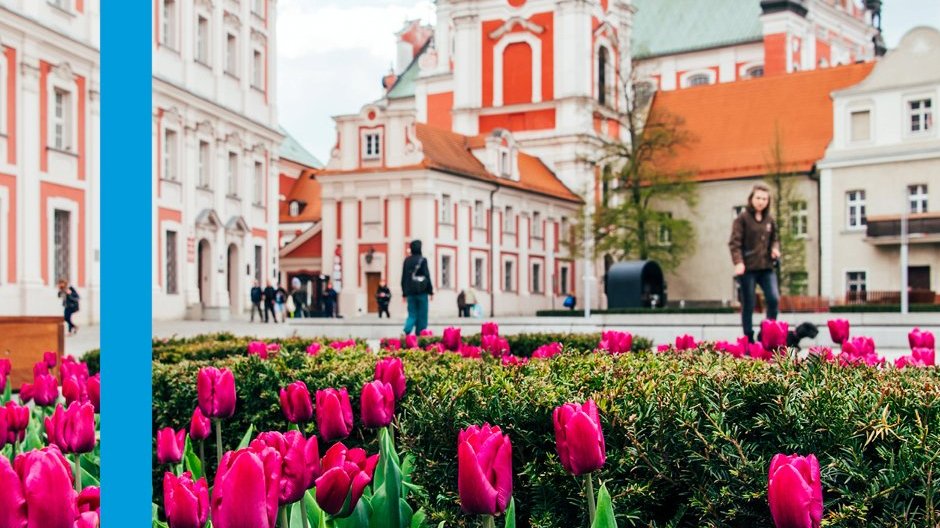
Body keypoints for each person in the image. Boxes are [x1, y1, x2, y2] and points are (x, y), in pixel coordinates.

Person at [729, 183, 780, 343]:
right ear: (751, 199)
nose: (761, 201)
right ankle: (748, 338)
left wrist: (775, 249)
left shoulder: (769, 219)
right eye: (758, 198)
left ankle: (768, 332)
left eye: (764, 198)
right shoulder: (742, 219)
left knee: (773, 299)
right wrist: (738, 262)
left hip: (766, 267)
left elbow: (775, 239)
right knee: (749, 303)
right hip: (748, 268)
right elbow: (734, 243)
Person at [401, 239, 433, 335]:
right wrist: (430, 291)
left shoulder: (407, 260)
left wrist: (404, 293)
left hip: (410, 293)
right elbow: (427, 276)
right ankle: (420, 334)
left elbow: (404, 278)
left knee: (412, 313)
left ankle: (407, 330)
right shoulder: (423, 260)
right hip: (422, 292)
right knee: (422, 314)